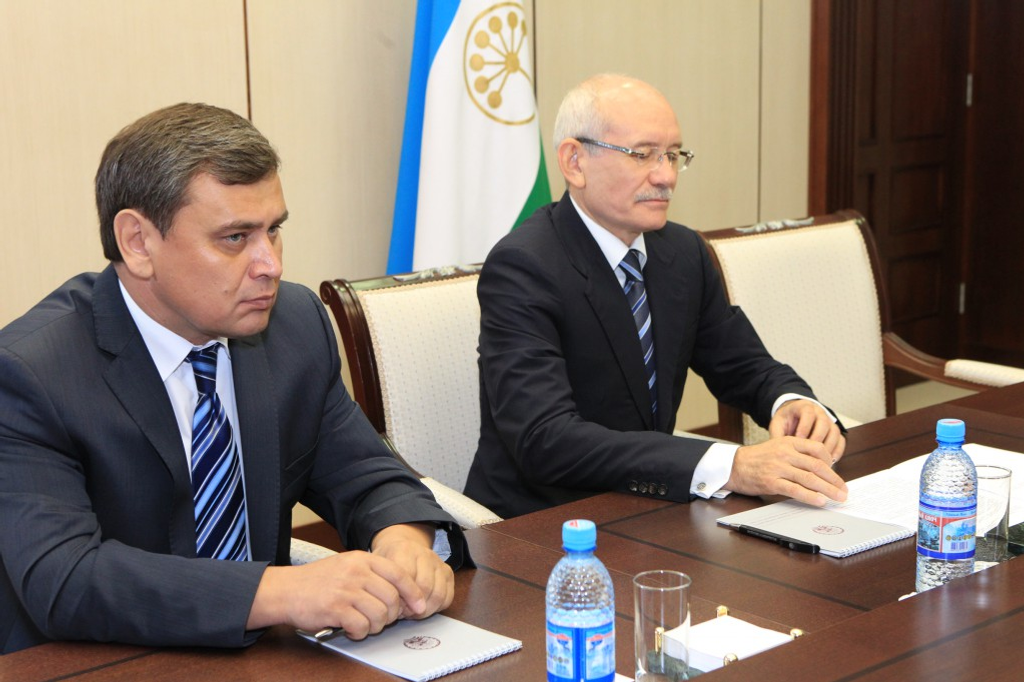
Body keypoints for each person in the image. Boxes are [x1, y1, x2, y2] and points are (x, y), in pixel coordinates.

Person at [0, 103, 469, 654]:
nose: (270, 264)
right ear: (138, 242)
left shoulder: (293, 325)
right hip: (100, 659)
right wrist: (283, 591)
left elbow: (366, 475)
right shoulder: (32, 372)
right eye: (235, 238)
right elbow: (65, 579)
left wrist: (405, 544)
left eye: (274, 230)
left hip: (261, 659)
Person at [465, 74, 848, 519]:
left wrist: (792, 402)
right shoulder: (523, 266)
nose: (665, 176)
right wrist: (732, 465)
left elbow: (742, 364)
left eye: (672, 155)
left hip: (650, 507)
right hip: (541, 521)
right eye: (642, 154)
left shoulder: (682, 252)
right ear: (574, 161)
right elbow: (545, 439)